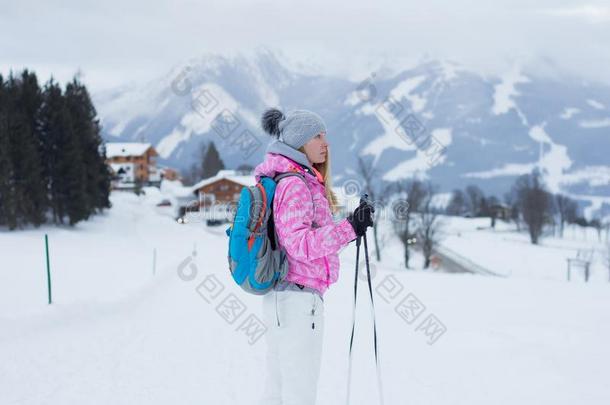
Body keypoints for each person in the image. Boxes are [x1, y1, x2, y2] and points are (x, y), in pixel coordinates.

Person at [254, 108, 374, 405]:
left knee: (279, 390)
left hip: (285, 298)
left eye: (325, 135)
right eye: (317, 136)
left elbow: (309, 245)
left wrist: (352, 227)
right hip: (298, 302)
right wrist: (348, 228)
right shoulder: (295, 184)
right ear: (299, 141)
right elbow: (301, 245)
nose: (325, 142)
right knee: (299, 393)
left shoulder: (291, 179)